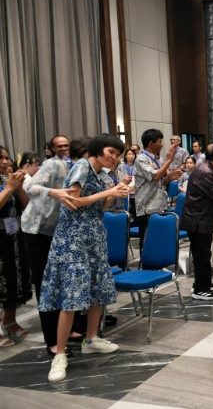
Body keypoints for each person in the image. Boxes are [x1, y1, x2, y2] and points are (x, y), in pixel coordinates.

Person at [40, 134, 130, 382]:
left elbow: (101, 207)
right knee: (71, 296)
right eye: (112, 152)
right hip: (73, 240)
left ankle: (91, 338)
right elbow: (72, 203)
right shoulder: (81, 166)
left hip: (94, 237)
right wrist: (108, 192)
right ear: (99, 149)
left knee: (97, 289)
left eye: (118, 155)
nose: (115, 158)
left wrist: (116, 191)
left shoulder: (103, 174)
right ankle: (60, 353)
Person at [22, 138, 90, 356]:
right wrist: (55, 193)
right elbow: (30, 186)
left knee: (64, 283)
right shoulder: (53, 164)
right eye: (59, 145)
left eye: (66, 145)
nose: (64, 148)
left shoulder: (78, 167)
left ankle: (67, 330)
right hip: (38, 230)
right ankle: (52, 340)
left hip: (60, 232)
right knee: (46, 286)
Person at [180, 143, 213, 300]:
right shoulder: (206, 172)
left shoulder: (206, 169)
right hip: (198, 219)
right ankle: (200, 289)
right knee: (201, 255)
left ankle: (204, 282)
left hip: (200, 218)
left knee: (204, 253)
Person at [0, 147, 30, 347]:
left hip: (13, 235)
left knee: (14, 279)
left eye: (6, 158)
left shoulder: (6, 180)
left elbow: (25, 205)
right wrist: (10, 188)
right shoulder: (5, 184)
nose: (5, 162)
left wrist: (18, 186)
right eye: (0, 159)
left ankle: (10, 321)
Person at [134, 129, 183, 251]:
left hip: (158, 204)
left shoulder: (157, 159)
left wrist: (170, 177)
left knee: (158, 239)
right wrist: (169, 160)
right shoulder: (141, 159)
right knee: (147, 240)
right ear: (151, 143)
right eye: (160, 142)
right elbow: (154, 176)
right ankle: (146, 266)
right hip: (146, 206)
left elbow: (161, 181)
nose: (162, 144)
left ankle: (158, 266)